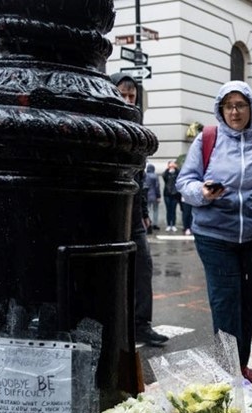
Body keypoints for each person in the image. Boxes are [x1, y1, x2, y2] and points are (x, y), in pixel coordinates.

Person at [176, 80, 252, 383]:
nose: (235, 111)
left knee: (249, 304)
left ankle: (239, 366)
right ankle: (226, 372)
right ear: (221, 109)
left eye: (241, 105)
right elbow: (185, 182)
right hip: (215, 236)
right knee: (225, 303)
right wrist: (203, 191)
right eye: (229, 105)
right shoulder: (206, 139)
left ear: (251, 108)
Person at [112, 71, 169, 348]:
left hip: (133, 212)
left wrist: (144, 212)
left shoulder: (138, 126)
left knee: (142, 267)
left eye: (131, 96)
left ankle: (141, 324)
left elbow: (140, 177)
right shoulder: (106, 123)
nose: (127, 100)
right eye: (122, 94)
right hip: (109, 211)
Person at [161, 159, 181, 232]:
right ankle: (169, 224)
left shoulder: (177, 173)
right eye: (170, 164)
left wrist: (176, 168)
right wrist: (167, 169)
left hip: (175, 194)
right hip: (167, 194)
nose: (172, 166)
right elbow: (164, 177)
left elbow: (180, 176)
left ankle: (173, 225)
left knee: (173, 210)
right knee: (168, 210)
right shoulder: (167, 173)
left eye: (173, 164)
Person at [143, 162, 162, 232]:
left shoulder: (145, 175)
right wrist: (158, 196)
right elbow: (157, 187)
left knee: (148, 210)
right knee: (155, 210)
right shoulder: (155, 176)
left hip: (147, 195)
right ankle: (155, 223)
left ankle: (149, 223)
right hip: (154, 195)